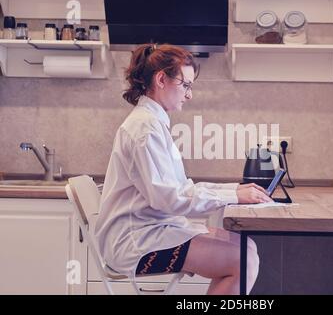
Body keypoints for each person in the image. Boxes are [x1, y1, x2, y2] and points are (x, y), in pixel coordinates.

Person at [94, 43, 273, 295]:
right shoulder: (145, 129)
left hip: (150, 231)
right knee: (244, 260)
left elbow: (181, 188)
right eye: (186, 85)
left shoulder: (152, 123)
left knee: (248, 247)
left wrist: (235, 189)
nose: (189, 95)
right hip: (136, 242)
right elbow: (171, 199)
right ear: (161, 80)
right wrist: (233, 196)